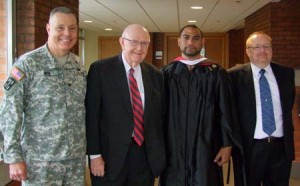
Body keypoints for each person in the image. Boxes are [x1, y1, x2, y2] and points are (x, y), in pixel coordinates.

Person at [0, 7, 87, 185]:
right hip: (40, 161)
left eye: (72, 28)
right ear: (48, 29)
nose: (67, 33)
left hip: (74, 160)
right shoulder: (27, 64)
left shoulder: (78, 65)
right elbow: (10, 112)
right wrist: (14, 157)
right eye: (60, 27)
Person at [160, 24, 245, 186]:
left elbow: (226, 110)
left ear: (202, 42)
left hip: (206, 145)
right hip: (173, 146)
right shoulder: (166, 73)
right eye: (186, 37)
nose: (190, 42)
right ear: (179, 41)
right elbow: (159, 113)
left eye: (196, 38)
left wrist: (227, 145)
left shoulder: (216, 72)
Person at [85, 24, 166, 186]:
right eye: (134, 42)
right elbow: (91, 116)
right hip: (109, 158)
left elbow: (159, 118)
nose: (139, 48)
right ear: (122, 42)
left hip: (144, 158)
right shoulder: (100, 70)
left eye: (144, 43)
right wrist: (94, 155)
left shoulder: (156, 75)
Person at [228, 31, 295, 186]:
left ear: (272, 50)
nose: (262, 51)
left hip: (280, 147)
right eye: (257, 47)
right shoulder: (233, 76)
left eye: (266, 46)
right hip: (250, 147)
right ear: (248, 51)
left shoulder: (286, 73)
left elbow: (288, 104)